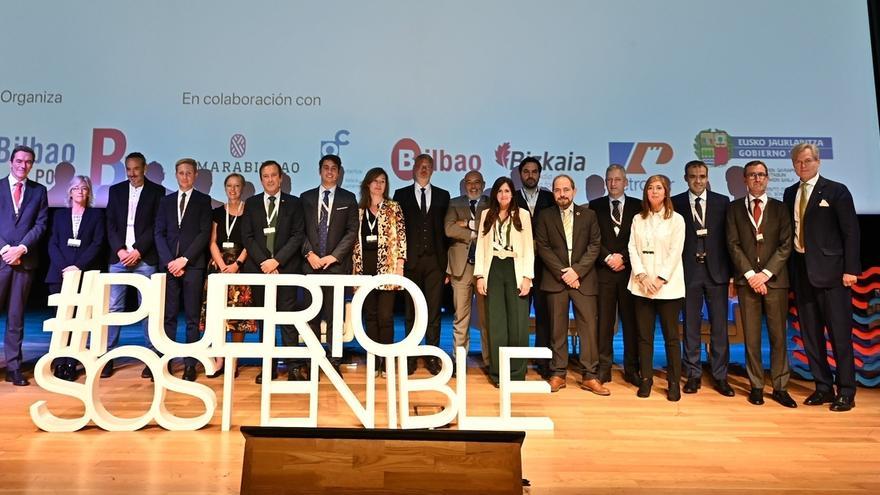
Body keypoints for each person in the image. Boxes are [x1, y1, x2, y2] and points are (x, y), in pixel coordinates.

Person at [783, 143, 861, 412]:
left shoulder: (836, 190)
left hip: (834, 275)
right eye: (797, 162)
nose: (802, 166)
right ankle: (823, 387)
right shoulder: (789, 192)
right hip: (802, 272)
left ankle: (847, 391)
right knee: (811, 335)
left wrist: (851, 269)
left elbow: (851, 232)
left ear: (818, 162)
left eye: (807, 161)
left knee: (840, 336)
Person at [727, 160, 796, 408]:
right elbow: (732, 244)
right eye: (752, 175)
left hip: (775, 282)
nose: (757, 179)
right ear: (745, 180)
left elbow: (786, 245)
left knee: (779, 337)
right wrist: (750, 275)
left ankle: (780, 387)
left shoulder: (780, 208)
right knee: (752, 337)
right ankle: (756, 385)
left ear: (767, 179)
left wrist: (765, 274)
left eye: (761, 175)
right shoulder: (734, 209)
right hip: (748, 283)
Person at [534, 175, 606, 395]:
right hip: (556, 280)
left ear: (574, 191)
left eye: (566, 189)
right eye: (557, 190)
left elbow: (595, 246)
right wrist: (563, 273)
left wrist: (576, 271)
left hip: (582, 280)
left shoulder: (588, 215)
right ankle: (558, 373)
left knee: (588, 329)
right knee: (557, 330)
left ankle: (590, 376)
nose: (562, 194)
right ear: (553, 193)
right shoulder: (545, 216)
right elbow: (543, 247)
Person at [671, 160, 734, 396]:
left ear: (708, 177)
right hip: (688, 272)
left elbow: (729, 240)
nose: (698, 181)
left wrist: (730, 276)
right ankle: (693, 374)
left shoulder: (722, 202)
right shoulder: (675, 203)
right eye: (693, 176)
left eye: (702, 176)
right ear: (685, 178)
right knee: (690, 326)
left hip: (716, 272)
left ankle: (720, 376)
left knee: (719, 327)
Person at [240, 160, 304, 383]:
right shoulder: (252, 203)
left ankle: (293, 366)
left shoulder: (294, 204)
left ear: (281, 178)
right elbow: (247, 237)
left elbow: (298, 236)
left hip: (285, 269)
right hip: (259, 271)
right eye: (265, 176)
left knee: (287, 319)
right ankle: (267, 366)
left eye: (274, 175)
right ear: (261, 179)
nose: (270, 179)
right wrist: (265, 263)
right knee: (265, 320)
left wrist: (276, 261)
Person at [104, 152, 165, 379]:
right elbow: (110, 224)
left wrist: (138, 250)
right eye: (128, 169)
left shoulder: (157, 192)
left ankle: (152, 358)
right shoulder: (116, 190)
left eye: (136, 169)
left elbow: (156, 225)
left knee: (149, 310)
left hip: (144, 258)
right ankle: (107, 357)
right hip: (118, 258)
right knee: (113, 309)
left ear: (144, 168)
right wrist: (120, 250)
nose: (132, 173)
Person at [154, 158, 213, 381]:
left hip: (193, 266)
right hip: (169, 267)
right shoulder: (166, 202)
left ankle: (190, 364)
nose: (185, 177)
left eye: (189, 173)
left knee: (191, 316)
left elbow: (203, 233)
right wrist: (171, 261)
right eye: (181, 173)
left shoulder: (203, 200)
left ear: (195, 175)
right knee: (168, 316)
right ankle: (165, 360)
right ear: (176, 175)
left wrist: (184, 260)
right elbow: (158, 233)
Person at [627, 174, 685, 401]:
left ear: (666, 192)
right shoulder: (637, 219)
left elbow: (675, 252)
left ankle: (673, 383)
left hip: (668, 287)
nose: (654, 191)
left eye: (658, 188)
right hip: (642, 286)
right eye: (650, 188)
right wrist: (642, 276)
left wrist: (660, 279)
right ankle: (646, 379)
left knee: (671, 337)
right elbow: (632, 248)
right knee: (644, 336)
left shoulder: (677, 220)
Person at [301, 154, 359, 374]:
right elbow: (300, 232)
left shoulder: (348, 198)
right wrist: (310, 254)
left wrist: (333, 256)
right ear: (319, 171)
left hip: (336, 266)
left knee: (335, 316)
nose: (329, 172)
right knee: (312, 315)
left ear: (339, 172)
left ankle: (334, 359)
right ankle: (313, 358)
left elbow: (351, 231)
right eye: (325, 168)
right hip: (311, 266)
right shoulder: (305, 198)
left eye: (334, 168)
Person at [392, 154, 450, 375]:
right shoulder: (400, 195)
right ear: (413, 169)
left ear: (433, 170)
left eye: (428, 166)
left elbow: (446, 233)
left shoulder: (444, 196)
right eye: (420, 166)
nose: (424, 169)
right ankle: (410, 356)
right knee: (410, 312)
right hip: (411, 262)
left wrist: (447, 268)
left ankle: (432, 356)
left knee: (434, 311)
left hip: (435, 262)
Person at [474, 177, 534, 387]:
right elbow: (481, 247)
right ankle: (498, 373)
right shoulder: (486, 215)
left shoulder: (523, 215)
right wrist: (480, 276)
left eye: (507, 191)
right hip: (494, 270)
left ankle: (517, 373)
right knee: (496, 322)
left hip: (514, 269)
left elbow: (528, 248)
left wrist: (527, 277)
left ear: (512, 194)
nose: (503, 195)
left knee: (517, 323)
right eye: (499, 191)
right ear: (495, 195)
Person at [45, 176, 106, 381]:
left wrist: (78, 266)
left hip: (85, 273)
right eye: (76, 188)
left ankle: (72, 362)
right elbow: (53, 243)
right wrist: (65, 267)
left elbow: (97, 243)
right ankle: (59, 360)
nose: (80, 191)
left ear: (88, 193)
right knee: (62, 319)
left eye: (84, 188)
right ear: (69, 192)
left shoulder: (96, 215)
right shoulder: (60, 215)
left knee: (79, 320)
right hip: (59, 273)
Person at [198, 173, 256, 378]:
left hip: (240, 267)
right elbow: (212, 241)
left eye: (237, 186)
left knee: (236, 318)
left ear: (243, 189)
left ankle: (234, 360)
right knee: (216, 315)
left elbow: (251, 241)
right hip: (218, 267)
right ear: (225, 188)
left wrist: (237, 263)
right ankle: (219, 358)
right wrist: (222, 265)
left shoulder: (250, 212)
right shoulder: (216, 212)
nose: (233, 190)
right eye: (229, 186)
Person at [588, 164, 641, 385]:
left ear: (626, 182)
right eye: (609, 179)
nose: (613, 183)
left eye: (618, 179)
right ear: (605, 182)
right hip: (604, 273)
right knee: (604, 324)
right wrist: (608, 257)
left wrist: (624, 259)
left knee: (631, 323)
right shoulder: (595, 206)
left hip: (630, 274)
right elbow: (592, 238)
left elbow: (641, 239)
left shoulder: (639, 206)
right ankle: (604, 367)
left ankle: (631, 369)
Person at [1, 145, 48, 386]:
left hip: (25, 261)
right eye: (19, 161)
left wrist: (21, 249)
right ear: (11, 162)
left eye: (28, 162)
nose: (23, 165)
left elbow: (40, 225)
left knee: (16, 317)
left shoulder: (39, 191)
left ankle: (14, 367)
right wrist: (6, 250)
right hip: (1, 260)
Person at [352, 167, 407, 376]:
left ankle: (387, 361)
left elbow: (401, 237)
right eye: (375, 181)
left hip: (388, 269)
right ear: (367, 184)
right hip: (363, 269)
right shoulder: (358, 210)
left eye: (382, 181)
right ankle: (374, 361)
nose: (378, 184)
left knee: (386, 316)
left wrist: (400, 264)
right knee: (371, 316)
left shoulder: (394, 207)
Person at [514, 157, 555, 378]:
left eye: (534, 172)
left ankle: (542, 360)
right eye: (526, 171)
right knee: (520, 314)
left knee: (544, 315)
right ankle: (517, 360)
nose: (530, 175)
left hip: (545, 266)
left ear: (539, 174)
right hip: (519, 266)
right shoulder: (512, 198)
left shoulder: (549, 197)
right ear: (520, 174)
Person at [445, 170, 489, 368]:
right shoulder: (454, 203)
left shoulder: (491, 203)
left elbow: (492, 226)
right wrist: (474, 234)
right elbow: (449, 229)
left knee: (487, 318)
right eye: (469, 182)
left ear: (483, 183)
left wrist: (469, 223)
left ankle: (490, 361)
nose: (473, 186)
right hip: (460, 267)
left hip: (485, 268)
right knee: (460, 317)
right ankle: (459, 360)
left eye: (477, 182)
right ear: (464, 184)